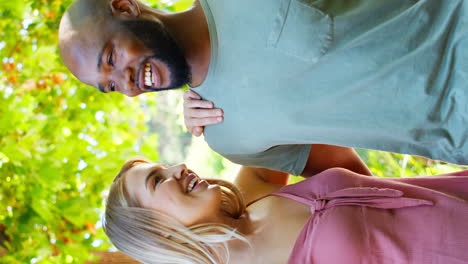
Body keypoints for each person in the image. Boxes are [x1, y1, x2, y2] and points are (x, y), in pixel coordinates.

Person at [59, 0, 468, 175]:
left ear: (124, 7)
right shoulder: (224, 135)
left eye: (111, 59)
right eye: (109, 86)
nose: (127, 85)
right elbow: (342, 174)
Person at [104, 151, 468, 264]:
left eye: (163, 165)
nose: (177, 169)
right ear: (156, 231)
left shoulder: (250, 192)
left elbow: (262, 119)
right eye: (157, 180)